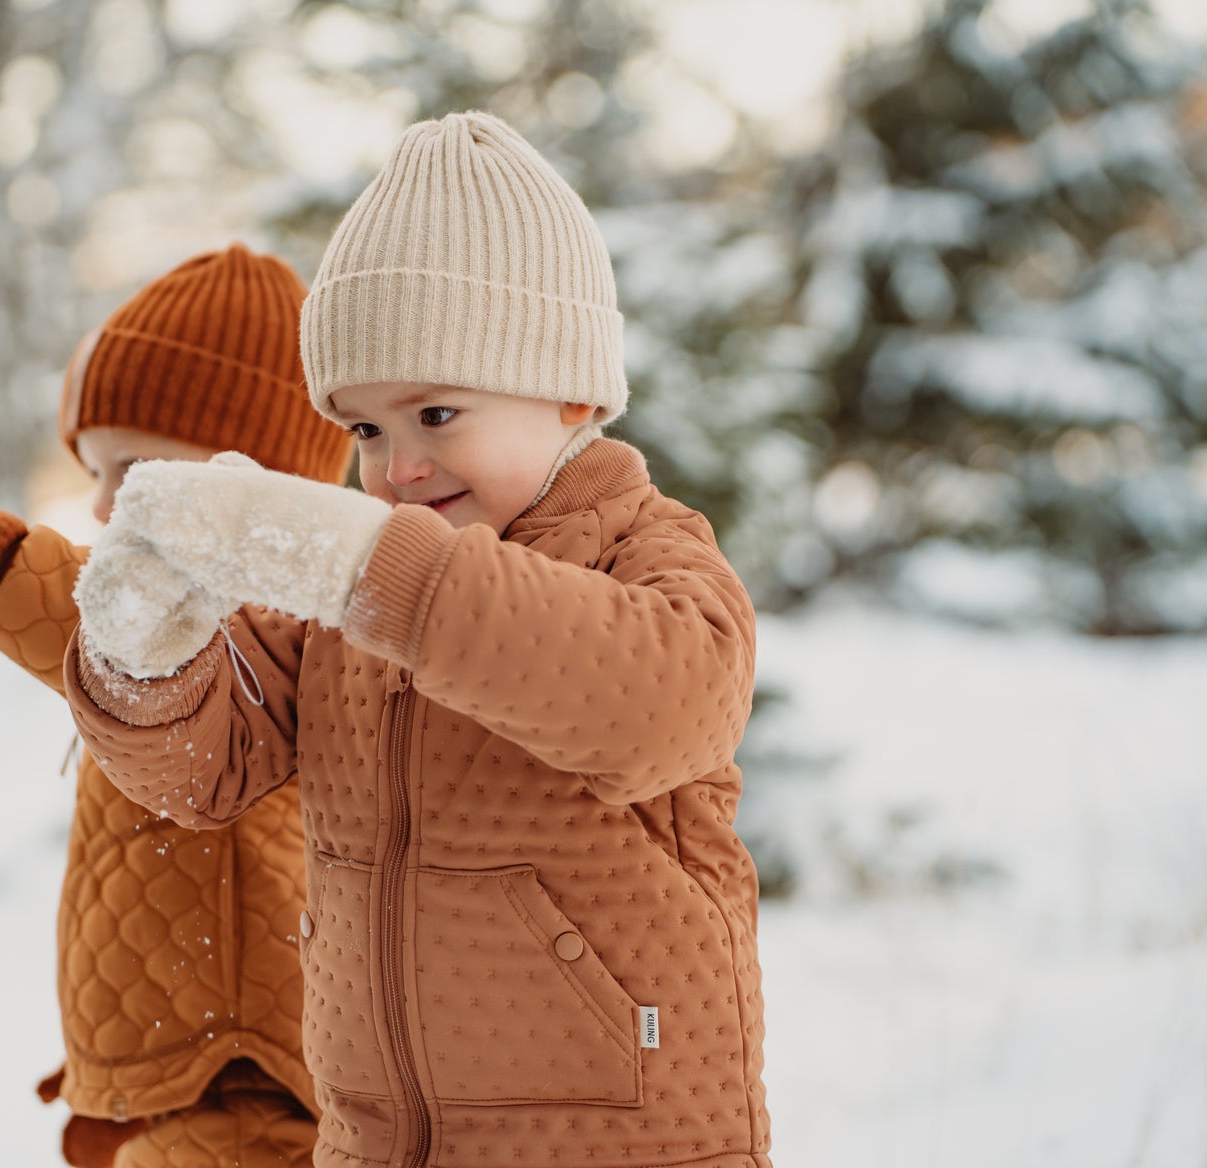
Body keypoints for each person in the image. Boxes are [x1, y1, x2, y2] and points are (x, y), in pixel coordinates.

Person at [63, 112, 771, 1168]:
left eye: (437, 413)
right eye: (365, 430)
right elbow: (208, 767)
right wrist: (145, 655)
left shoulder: (645, 554)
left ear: (570, 389)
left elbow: (659, 711)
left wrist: (372, 568)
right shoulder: (347, 610)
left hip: (622, 1141)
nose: (396, 469)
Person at [0, 244, 350, 1168]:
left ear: (263, 476)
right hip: (207, 1072)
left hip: (242, 1087)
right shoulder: (224, 617)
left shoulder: (264, 628)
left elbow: (63, 610)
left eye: (138, 467)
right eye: (93, 470)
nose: (106, 502)